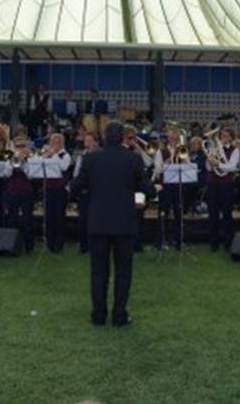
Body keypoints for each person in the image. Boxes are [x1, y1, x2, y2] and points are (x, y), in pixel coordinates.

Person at [70, 121, 157, 327]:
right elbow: (148, 189)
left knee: (99, 272)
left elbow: (75, 187)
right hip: (124, 223)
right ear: (122, 138)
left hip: (98, 222)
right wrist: (152, 189)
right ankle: (119, 315)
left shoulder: (91, 159)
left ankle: (98, 315)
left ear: (104, 137)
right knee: (123, 272)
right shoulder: (133, 159)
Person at [205, 128, 240, 251]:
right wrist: (210, 162)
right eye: (222, 136)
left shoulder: (235, 150)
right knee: (213, 214)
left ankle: (228, 242)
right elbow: (208, 168)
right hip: (213, 184)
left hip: (227, 185)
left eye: (226, 136)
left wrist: (218, 164)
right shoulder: (213, 149)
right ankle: (213, 243)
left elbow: (231, 167)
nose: (224, 138)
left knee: (227, 214)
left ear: (231, 138)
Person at [2, 136, 36, 253]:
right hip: (12, 191)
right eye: (18, 146)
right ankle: (12, 246)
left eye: (23, 146)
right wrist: (14, 162)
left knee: (27, 219)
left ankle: (29, 246)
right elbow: (6, 174)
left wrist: (24, 163)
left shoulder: (31, 157)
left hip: (26, 191)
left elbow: (31, 175)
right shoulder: (9, 156)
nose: (20, 148)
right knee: (12, 219)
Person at [41, 132, 72, 252]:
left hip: (60, 190)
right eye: (52, 142)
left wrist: (53, 155)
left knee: (59, 217)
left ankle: (59, 244)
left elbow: (63, 167)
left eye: (56, 142)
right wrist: (45, 155)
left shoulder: (65, 155)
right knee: (49, 216)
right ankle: (49, 243)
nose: (53, 145)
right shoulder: (48, 155)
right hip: (48, 189)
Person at [73, 132, 99, 254]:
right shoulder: (81, 156)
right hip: (84, 191)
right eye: (86, 141)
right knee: (83, 219)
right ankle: (84, 245)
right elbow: (76, 173)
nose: (87, 143)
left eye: (90, 140)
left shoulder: (100, 155)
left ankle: (94, 245)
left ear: (95, 142)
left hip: (96, 191)